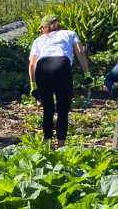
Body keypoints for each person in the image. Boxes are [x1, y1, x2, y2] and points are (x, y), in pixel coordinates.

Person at [28, 14, 90, 147]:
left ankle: (47, 145)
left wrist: (33, 85)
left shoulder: (38, 40)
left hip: (42, 67)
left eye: (42, 28)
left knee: (48, 109)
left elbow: (32, 64)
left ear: (48, 26)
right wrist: (87, 74)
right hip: (61, 65)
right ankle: (61, 146)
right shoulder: (69, 34)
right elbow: (80, 52)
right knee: (62, 110)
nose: (40, 31)